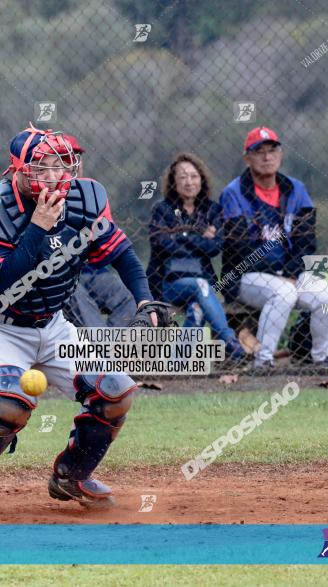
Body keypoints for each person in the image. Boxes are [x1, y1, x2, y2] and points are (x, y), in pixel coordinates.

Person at [0, 126, 156, 507]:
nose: (54, 176)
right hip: (4, 327)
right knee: (8, 406)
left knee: (115, 392)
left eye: (60, 165)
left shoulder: (85, 199)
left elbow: (121, 252)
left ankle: (73, 475)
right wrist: (38, 228)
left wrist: (144, 301)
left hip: (52, 325)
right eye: (42, 168)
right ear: (17, 170)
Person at [219, 126, 328, 370]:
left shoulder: (296, 189)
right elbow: (238, 248)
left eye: (272, 150)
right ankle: (263, 361)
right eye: (259, 152)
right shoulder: (234, 193)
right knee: (283, 293)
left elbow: (306, 242)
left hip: (290, 275)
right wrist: (283, 276)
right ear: (247, 158)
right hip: (245, 277)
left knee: (326, 294)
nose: (266, 157)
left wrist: (292, 273)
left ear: (280, 154)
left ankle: (324, 360)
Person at [147, 153, 246, 361]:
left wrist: (181, 235)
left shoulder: (212, 210)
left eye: (193, 176)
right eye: (182, 177)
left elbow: (214, 247)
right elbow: (162, 244)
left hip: (203, 285)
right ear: (173, 182)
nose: (189, 182)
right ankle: (229, 340)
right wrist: (198, 234)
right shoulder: (162, 210)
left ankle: (177, 362)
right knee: (200, 285)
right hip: (169, 283)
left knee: (197, 308)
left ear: (202, 179)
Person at [61, 133, 136, 327]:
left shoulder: (92, 191)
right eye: (65, 159)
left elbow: (103, 237)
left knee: (128, 299)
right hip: (64, 273)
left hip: (94, 270)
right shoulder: (43, 193)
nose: (74, 164)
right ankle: (99, 352)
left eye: (77, 158)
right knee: (86, 311)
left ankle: (107, 353)